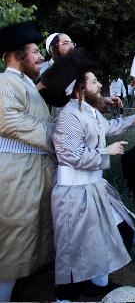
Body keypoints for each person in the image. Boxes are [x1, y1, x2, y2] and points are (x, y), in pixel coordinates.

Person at [43, 49, 135, 300]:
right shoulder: (69, 115)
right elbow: (71, 155)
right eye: (93, 81)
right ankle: (65, 296)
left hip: (93, 188)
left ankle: (97, 284)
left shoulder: (89, 111)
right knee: (72, 246)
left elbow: (110, 126)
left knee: (113, 231)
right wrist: (106, 151)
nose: (100, 84)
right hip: (73, 194)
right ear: (80, 88)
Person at [0, 21, 55, 302]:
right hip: (16, 172)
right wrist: (55, 137)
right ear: (17, 55)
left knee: (29, 232)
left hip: (33, 170)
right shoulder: (5, 81)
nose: (41, 56)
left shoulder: (26, 84)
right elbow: (9, 120)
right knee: (15, 234)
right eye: (35, 51)